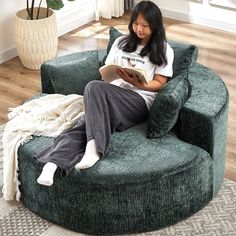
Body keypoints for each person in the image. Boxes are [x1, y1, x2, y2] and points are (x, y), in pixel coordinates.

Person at [36, 0, 174, 186]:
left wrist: (137, 83)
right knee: (86, 123)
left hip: (139, 101)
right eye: (135, 24)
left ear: (155, 26)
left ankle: (95, 149)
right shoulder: (120, 42)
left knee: (93, 88)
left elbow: (159, 83)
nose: (139, 29)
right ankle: (52, 164)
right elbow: (106, 73)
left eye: (145, 26)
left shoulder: (164, 49)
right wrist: (115, 76)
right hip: (113, 94)